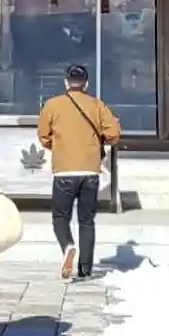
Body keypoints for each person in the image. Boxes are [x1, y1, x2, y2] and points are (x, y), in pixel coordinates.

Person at [36, 63, 121, 280]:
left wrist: (59, 146)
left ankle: (68, 245)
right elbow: (113, 134)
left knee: (60, 217)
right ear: (86, 84)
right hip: (90, 172)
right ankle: (85, 269)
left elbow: (43, 136)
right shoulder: (97, 105)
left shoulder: (52, 105)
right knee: (87, 220)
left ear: (66, 83)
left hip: (64, 171)